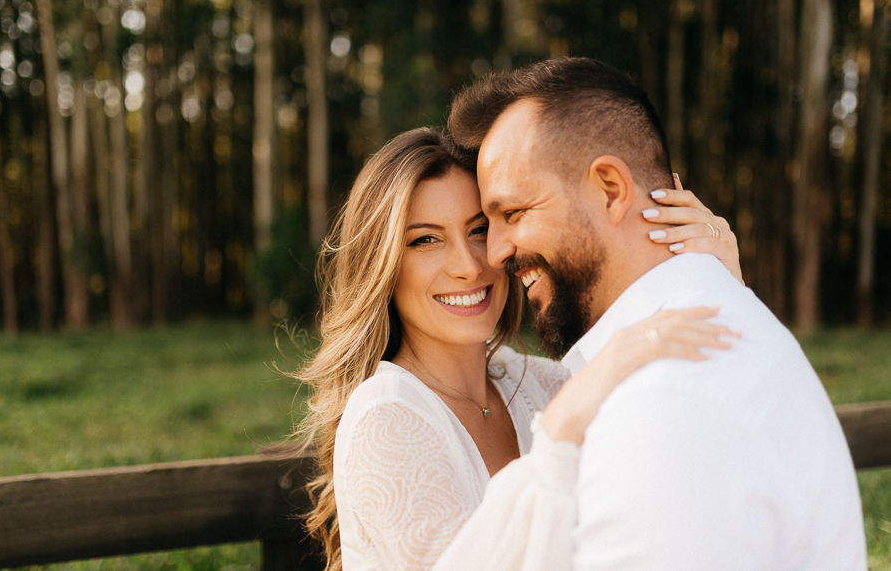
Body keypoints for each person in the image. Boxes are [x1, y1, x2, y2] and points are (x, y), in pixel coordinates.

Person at [447, 56, 867, 570]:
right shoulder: (709, 325)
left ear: (611, 189)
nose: (494, 254)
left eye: (512, 214)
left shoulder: (662, 398)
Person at [292, 123, 744, 571]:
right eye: (425, 240)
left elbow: (696, 465)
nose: (469, 266)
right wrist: (562, 428)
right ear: (383, 266)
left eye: (478, 230)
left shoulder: (544, 383)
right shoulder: (386, 416)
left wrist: (723, 285)